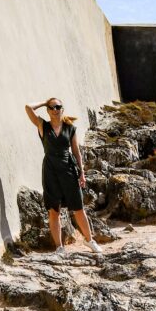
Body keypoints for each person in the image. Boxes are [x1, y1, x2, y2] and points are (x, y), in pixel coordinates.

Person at [24, 98, 102, 255]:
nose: (55, 109)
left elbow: (76, 152)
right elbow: (28, 107)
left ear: (62, 109)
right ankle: (59, 247)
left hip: (68, 169)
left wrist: (82, 173)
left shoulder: (70, 128)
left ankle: (89, 241)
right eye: (52, 107)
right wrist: (45, 102)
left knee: (78, 208)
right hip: (50, 170)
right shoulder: (42, 125)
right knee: (54, 211)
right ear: (48, 110)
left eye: (58, 107)